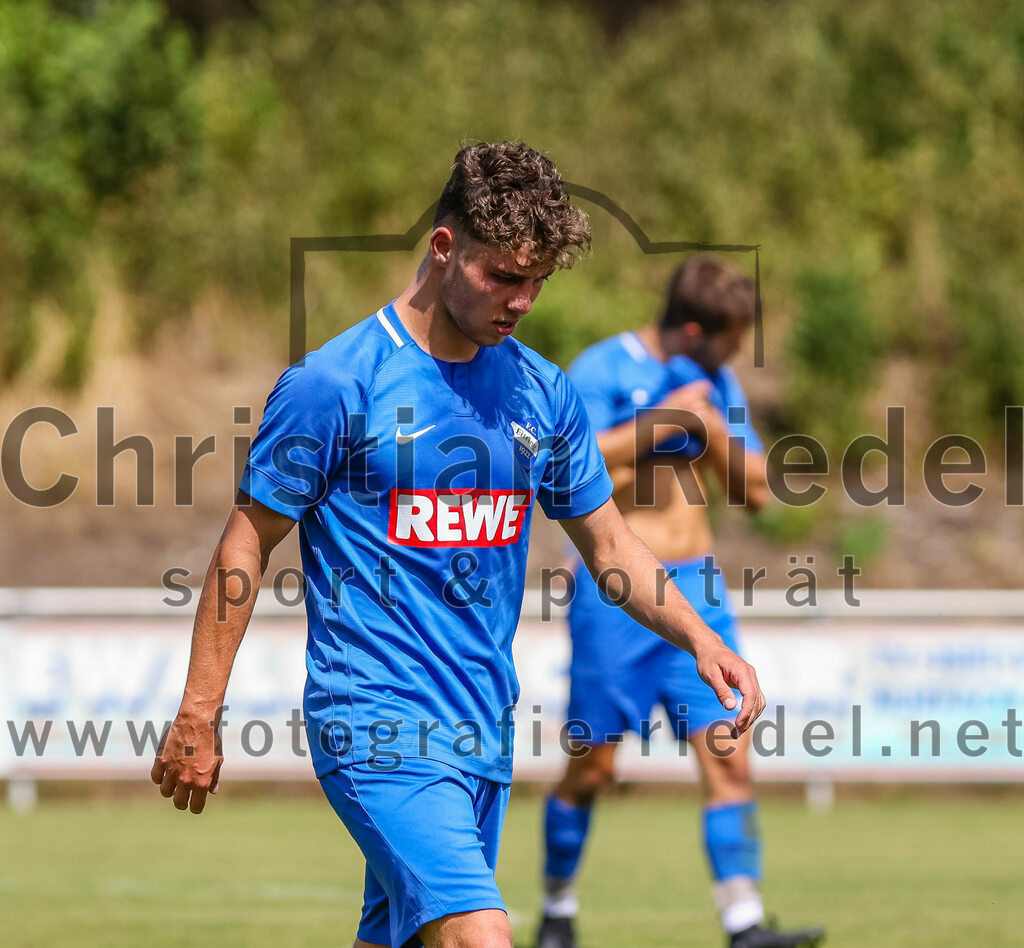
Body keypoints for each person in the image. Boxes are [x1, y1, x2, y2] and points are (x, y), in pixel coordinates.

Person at [150, 142, 765, 948]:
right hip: (373, 721)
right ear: (444, 249)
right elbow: (245, 545)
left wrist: (701, 638)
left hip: (482, 730)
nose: (524, 300)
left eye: (538, 281)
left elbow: (612, 548)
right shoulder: (336, 384)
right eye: (505, 277)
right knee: (482, 936)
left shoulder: (541, 392)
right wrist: (200, 709)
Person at [536, 256, 824, 948]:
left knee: (728, 747)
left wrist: (710, 426)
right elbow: (567, 466)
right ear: (695, 328)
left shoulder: (715, 383)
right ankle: (558, 909)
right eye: (729, 338)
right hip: (616, 591)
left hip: (697, 586)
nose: (735, 353)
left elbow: (755, 491)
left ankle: (744, 920)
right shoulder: (603, 369)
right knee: (595, 764)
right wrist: (661, 423)